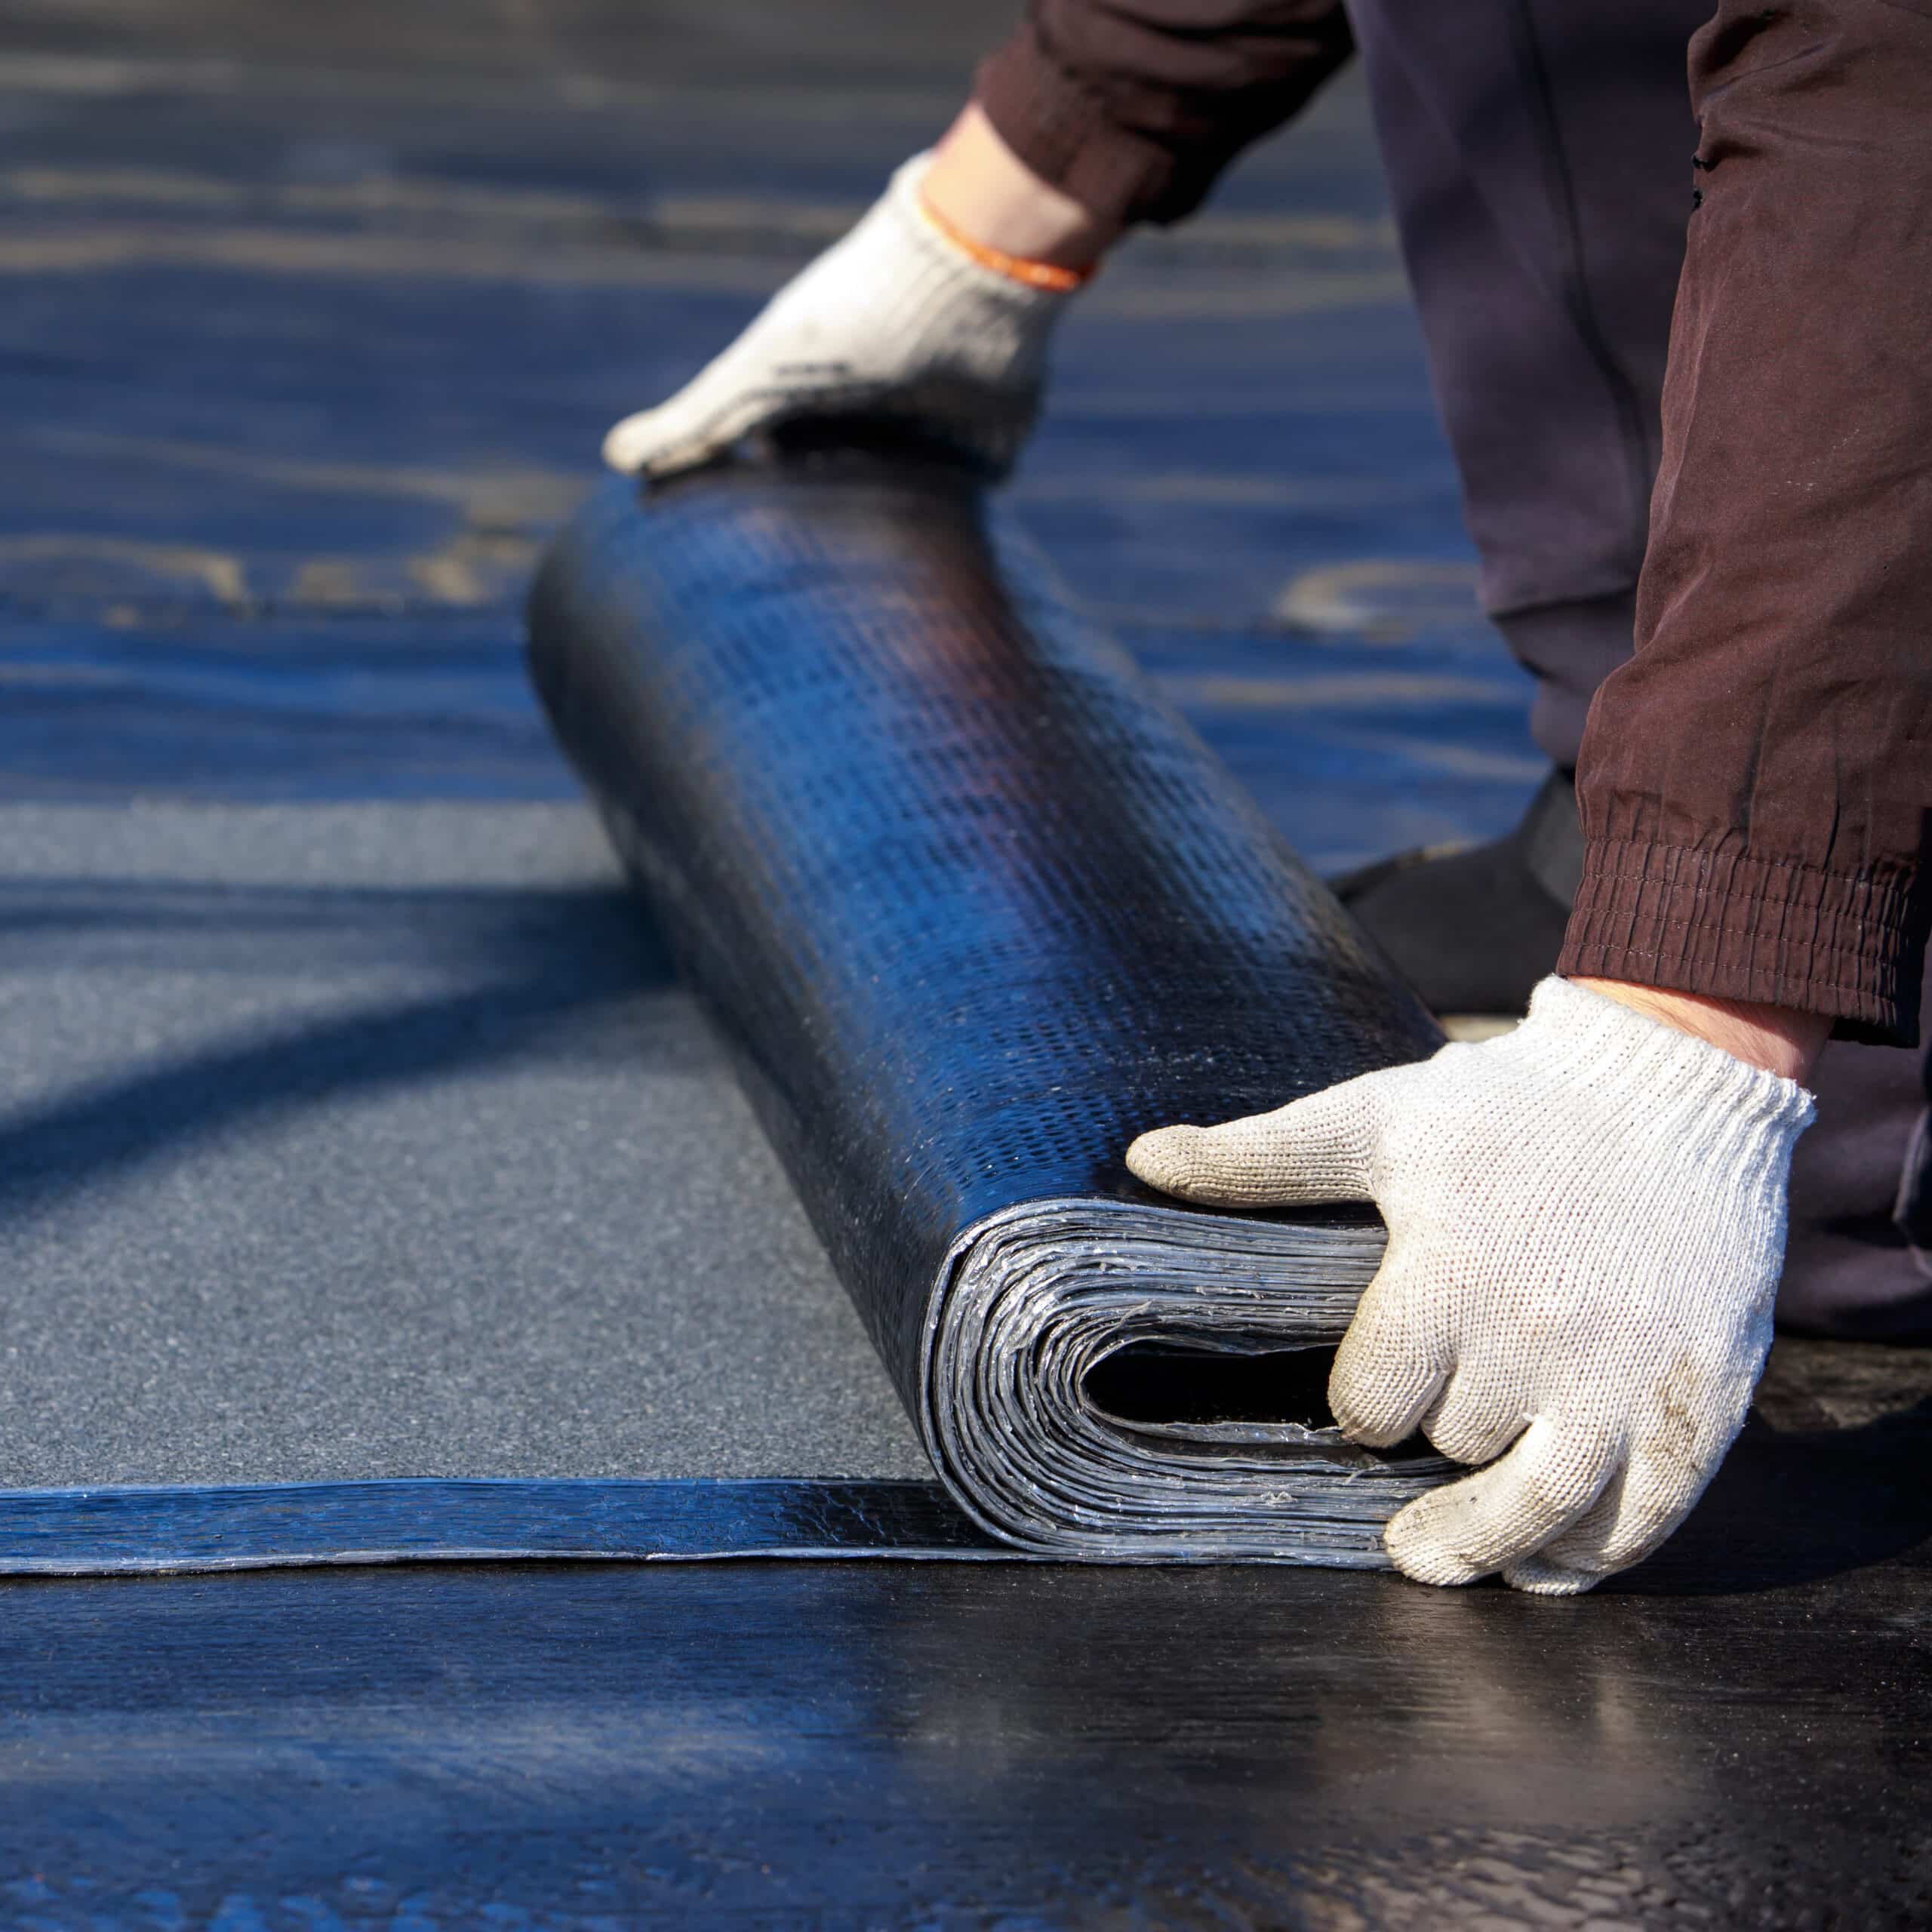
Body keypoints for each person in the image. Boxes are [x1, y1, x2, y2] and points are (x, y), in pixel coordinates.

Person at [601, 1, 1931, 1592]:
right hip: (1701, 701)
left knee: (1820, 1208)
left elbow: (1890, 102)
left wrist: (1694, 1027)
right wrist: (997, 207)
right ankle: (1629, 808)